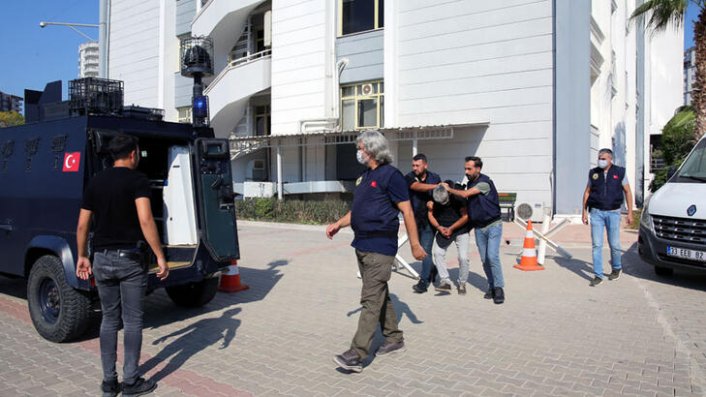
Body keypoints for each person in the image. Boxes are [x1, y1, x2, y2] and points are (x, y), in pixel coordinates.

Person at [76, 134, 169, 397]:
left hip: (102, 259)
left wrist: (82, 255)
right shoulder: (138, 181)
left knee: (108, 319)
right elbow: (146, 219)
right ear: (132, 154)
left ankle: (108, 383)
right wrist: (160, 255)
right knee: (132, 321)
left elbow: (83, 224)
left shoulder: (96, 181)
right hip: (130, 260)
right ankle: (130, 382)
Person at [327, 130, 426, 373]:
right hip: (362, 245)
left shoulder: (391, 176)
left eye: (360, 148)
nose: (358, 152)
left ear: (371, 150)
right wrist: (338, 224)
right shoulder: (365, 177)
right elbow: (358, 211)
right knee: (380, 293)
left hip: (380, 247)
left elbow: (408, 211)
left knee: (370, 300)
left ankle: (357, 354)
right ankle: (393, 338)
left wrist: (414, 244)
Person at [444, 156, 505, 304]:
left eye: (469, 169)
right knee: (484, 260)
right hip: (479, 227)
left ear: (478, 169)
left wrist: (449, 189)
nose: (466, 171)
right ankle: (491, 286)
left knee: (492, 256)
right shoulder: (471, 183)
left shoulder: (484, 183)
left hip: (493, 225)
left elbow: (465, 194)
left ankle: (499, 288)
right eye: (465, 168)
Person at [581, 148, 633, 287]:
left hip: (613, 212)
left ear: (610, 159)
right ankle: (598, 274)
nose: (601, 161)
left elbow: (628, 192)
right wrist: (584, 212)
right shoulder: (594, 173)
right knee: (597, 244)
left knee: (614, 244)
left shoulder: (619, 172)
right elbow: (587, 192)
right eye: (599, 158)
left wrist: (630, 213)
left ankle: (616, 268)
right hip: (596, 212)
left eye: (603, 158)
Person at [405, 153, 441, 294]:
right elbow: (416, 187)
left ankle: (424, 281)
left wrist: (434, 202)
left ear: (425, 165)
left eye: (417, 165)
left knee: (425, 249)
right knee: (419, 250)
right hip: (414, 221)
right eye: (413, 165)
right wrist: (436, 187)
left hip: (429, 220)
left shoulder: (435, 177)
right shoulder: (408, 177)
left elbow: (440, 196)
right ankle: (432, 269)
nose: (415, 168)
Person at [428, 184, 470, 294]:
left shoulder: (458, 197)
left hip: (461, 229)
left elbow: (466, 217)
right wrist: (438, 227)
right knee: (437, 253)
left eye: (445, 202)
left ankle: (462, 283)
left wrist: (451, 228)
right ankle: (445, 281)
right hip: (443, 229)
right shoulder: (435, 196)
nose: (443, 205)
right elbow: (430, 214)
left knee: (463, 257)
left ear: (449, 194)